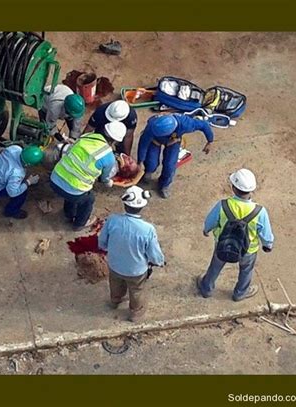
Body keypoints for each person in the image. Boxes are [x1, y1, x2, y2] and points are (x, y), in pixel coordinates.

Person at [197, 169, 274, 301]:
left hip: (223, 245)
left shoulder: (223, 205)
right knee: (246, 271)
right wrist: (268, 245)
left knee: (215, 266)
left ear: (233, 187)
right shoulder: (260, 211)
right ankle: (240, 293)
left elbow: (210, 221)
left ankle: (206, 288)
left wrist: (206, 230)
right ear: (252, 190)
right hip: (248, 250)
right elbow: (266, 234)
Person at [98, 186, 165, 322]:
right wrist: (159, 261)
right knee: (136, 290)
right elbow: (154, 253)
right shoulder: (148, 230)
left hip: (115, 265)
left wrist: (105, 248)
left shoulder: (112, 220)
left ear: (125, 204)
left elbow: (102, 241)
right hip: (136, 270)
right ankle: (135, 313)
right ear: (142, 207)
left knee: (115, 284)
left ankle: (115, 301)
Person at [50, 122, 127, 232]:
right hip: (74, 190)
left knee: (72, 190)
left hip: (55, 178)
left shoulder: (87, 136)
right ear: (116, 141)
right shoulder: (109, 158)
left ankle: (68, 214)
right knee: (88, 199)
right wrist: (109, 182)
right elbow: (103, 179)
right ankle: (79, 223)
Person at [137, 113, 214, 198]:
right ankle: (148, 172)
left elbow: (204, 125)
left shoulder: (185, 123)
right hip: (155, 140)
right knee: (151, 163)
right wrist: (140, 161)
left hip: (173, 141)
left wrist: (210, 141)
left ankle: (164, 185)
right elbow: (143, 144)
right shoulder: (152, 125)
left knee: (170, 166)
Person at [0, 145, 44, 219]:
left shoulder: (14, 149)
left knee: (0, 176)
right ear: (28, 164)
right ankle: (11, 211)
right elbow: (12, 193)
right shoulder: (17, 173)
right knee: (21, 193)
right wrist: (28, 182)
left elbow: (1, 150)